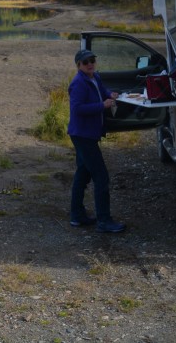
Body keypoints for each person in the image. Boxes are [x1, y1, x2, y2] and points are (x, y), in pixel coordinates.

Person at [67, 48, 126, 233]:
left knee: (83, 174)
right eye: (86, 62)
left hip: (87, 134)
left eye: (92, 60)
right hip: (82, 135)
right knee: (101, 176)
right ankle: (104, 221)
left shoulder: (94, 77)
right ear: (79, 65)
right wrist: (102, 105)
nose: (90, 64)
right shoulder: (78, 83)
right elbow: (77, 109)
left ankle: (77, 215)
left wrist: (111, 95)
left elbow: (103, 90)